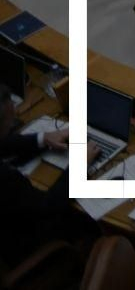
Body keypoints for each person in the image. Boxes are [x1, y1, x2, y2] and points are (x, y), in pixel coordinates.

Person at [0, 96, 95, 265]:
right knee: (90, 222)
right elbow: (49, 207)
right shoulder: (6, 180)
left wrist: (43, 138)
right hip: (22, 246)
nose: (14, 123)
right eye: (9, 124)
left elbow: (3, 144)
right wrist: (80, 165)